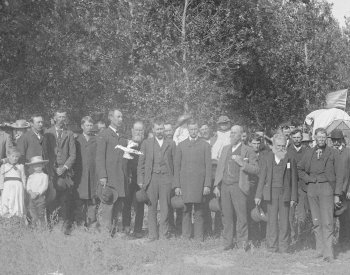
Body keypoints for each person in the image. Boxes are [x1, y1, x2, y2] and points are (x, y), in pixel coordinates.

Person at [297, 128, 342, 262]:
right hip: (312, 189)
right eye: (319, 137)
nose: (321, 139)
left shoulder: (333, 153)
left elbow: (339, 175)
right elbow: (300, 168)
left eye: (323, 137)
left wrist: (337, 194)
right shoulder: (309, 152)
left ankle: (328, 253)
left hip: (327, 188)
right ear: (315, 138)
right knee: (316, 221)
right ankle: (320, 249)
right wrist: (309, 180)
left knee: (327, 221)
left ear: (326, 138)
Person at [213, 125, 259, 251]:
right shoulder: (226, 149)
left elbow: (256, 169)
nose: (232, 135)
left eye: (234, 133)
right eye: (231, 133)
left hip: (239, 187)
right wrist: (217, 185)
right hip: (225, 187)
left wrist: (242, 163)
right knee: (226, 216)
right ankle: (227, 243)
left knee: (241, 216)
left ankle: (242, 243)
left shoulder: (248, 150)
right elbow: (219, 169)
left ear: (241, 135)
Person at [255, 134, 298, 253]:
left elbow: (294, 179)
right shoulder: (268, 157)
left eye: (283, 146)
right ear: (273, 145)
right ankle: (272, 247)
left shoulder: (290, 157)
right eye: (278, 146)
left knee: (284, 221)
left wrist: (293, 197)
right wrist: (258, 195)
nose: (281, 148)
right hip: (271, 193)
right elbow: (262, 177)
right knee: (272, 221)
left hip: (285, 194)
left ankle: (284, 247)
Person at [173, 119, 211, 241]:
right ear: (188, 130)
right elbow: (177, 167)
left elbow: (208, 167)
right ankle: (186, 236)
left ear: (198, 130)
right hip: (185, 184)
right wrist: (177, 185)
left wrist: (207, 185)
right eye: (191, 129)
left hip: (199, 184)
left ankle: (199, 237)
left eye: (195, 129)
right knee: (186, 210)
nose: (193, 131)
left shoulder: (205, 145)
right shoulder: (181, 145)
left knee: (199, 211)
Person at [138, 119, 176, 240]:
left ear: (164, 130)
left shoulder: (171, 143)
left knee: (165, 207)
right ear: (153, 130)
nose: (160, 131)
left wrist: (175, 182)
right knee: (151, 207)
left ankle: (164, 234)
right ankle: (152, 235)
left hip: (166, 178)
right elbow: (141, 164)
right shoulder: (146, 143)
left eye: (161, 129)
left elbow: (175, 164)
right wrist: (141, 180)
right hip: (152, 178)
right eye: (157, 129)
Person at [96, 109, 128, 235]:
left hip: (120, 177)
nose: (121, 119)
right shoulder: (104, 134)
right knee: (108, 205)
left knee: (118, 206)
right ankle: (105, 234)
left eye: (121, 117)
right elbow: (99, 157)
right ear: (111, 118)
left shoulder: (122, 135)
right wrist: (103, 176)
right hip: (109, 178)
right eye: (118, 117)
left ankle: (113, 232)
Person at [44, 110, 76, 234]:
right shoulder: (47, 133)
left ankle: (65, 227)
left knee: (65, 200)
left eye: (64, 117)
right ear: (54, 118)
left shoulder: (69, 133)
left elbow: (73, 155)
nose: (62, 119)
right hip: (52, 172)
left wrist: (65, 167)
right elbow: (45, 153)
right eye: (59, 117)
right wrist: (53, 168)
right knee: (52, 199)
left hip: (65, 173)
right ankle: (52, 226)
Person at [73, 116, 98, 228]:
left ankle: (92, 223)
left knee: (92, 200)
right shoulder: (76, 139)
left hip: (93, 174)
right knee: (79, 200)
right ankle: (80, 224)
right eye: (87, 125)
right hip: (80, 174)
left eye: (91, 125)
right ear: (82, 126)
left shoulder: (96, 139)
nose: (89, 127)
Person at [122, 121, 145, 238]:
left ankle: (138, 229)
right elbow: (124, 162)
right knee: (127, 203)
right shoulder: (128, 144)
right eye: (136, 130)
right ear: (132, 131)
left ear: (143, 132)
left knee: (140, 203)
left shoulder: (146, 144)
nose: (138, 132)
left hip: (141, 179)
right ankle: (126, 227)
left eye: (141, 130)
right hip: (129, 178)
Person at [287, 128, 310, 245]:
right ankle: (292, 235)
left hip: (302, 186)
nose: (296, 139)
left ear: (302, 138)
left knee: (302, 213)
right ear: (291, 138)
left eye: (298, 137)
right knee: (289, 213)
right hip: (290, 186)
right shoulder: (287, 150)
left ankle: (302, 238)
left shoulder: (307, 151)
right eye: (294, 137)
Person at [330, 129, 350, 245]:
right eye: (334, 140)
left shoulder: (348, 153)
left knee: (345, 218)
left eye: (338, 140)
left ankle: (344, 242)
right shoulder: (329, 152)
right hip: (331, 191)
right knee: (331, 217)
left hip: (345, 190)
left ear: (342, 140)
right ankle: (331, 242)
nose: (336, 142)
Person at [0, 148, 26, 217]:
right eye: (13, 156)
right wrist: (1, 189)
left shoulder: (21, 166)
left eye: (16, 156)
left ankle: (17, 216)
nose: (15, 158)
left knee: (16, 201)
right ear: (8, 156)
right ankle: (7, 217)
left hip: (18, 187)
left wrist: (24, 188)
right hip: (7, 187)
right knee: (7, 201)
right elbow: (1, 179)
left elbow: (23, 178)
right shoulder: (4, 166)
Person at [25, 156, 49, 226]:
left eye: (39, 165)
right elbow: (28, 186)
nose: (37, 167)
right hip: (31, 197)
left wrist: (37, 193)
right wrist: (31, 193)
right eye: (35, 166)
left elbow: (44, 186)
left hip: (40, 197)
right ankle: (33, 227)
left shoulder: (44, 176)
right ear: (32, 167)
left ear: (42, 166)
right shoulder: (30, 176)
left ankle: (42, 228)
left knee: (41, 213)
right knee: (32, 213)